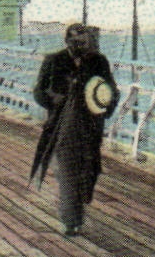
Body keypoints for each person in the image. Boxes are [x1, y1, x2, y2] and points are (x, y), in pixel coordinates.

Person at [30, 23, 119, 237]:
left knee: (90, 172)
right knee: (68, 172)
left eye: (84, 41)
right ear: (67, 40)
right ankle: (71, 221)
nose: (80, 45)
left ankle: (76, 209)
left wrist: (105, 107)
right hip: (62, 127)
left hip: (90, 128)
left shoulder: (98, 61)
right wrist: (53, 100)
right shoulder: (53, 60)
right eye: (75, 41)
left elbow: (112, 91)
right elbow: (38, 91)